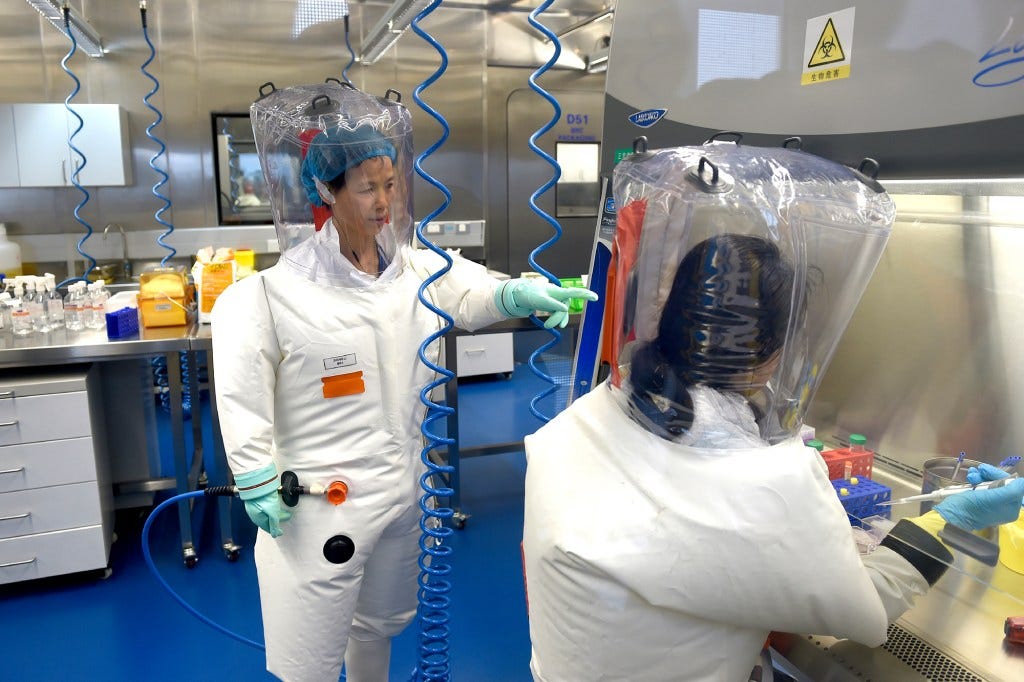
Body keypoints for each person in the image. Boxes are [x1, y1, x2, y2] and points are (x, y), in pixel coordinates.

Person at [520, 143, 1024, 681]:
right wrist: (950, 521)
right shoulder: (762, 482)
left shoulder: (594, 415)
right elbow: (866, 611)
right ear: (773, 351)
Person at [211, 83, 595, 682]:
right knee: (307, 657)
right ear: (325, 191)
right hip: (319, 505)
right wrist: (255, 472)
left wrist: (516, 291)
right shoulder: (267, 295)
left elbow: (469, 291)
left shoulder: (414, 268)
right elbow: (240, 390)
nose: (383, 201)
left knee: (380, 626)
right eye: (366, 188)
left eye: (391, 185)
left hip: (406, 490)